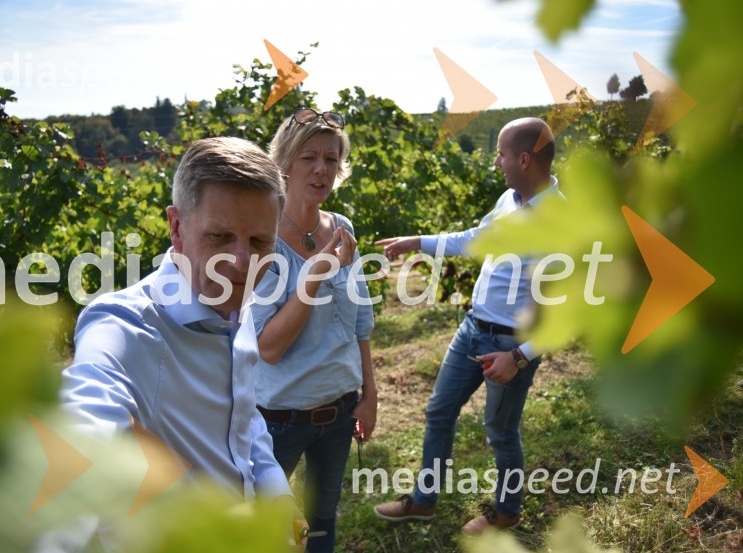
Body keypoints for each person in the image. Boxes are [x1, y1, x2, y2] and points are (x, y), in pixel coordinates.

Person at [59, 137, 303, 537]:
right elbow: (81, 426)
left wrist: (278, 497)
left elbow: (241, 417)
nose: (241, 262)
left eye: (260, 241)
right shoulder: (125, 327)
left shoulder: (233, 306)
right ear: (176, 227)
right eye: (220, 236)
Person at [373, 118, 563, 535]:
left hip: (511, 344)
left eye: (502, 154)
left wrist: (518, 358)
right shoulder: (510, 200)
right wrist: (418, 241)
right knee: (439, 412)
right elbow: (475, 238)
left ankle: (507, 511)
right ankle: (424, 502)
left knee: (500, 431)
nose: (496, 161)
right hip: (473, 330)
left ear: (525, 158)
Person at [251, 108, 377, 552]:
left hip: (340, 413)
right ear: (284, 163)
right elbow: (267, 347)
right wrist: (316, 274)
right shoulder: (263, 240)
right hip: (279, 421)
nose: (322, 169)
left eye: (331, 158)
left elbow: (358, 318)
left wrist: (369, 394)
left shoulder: (342, 228)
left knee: (322, 523)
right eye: (308, 157)